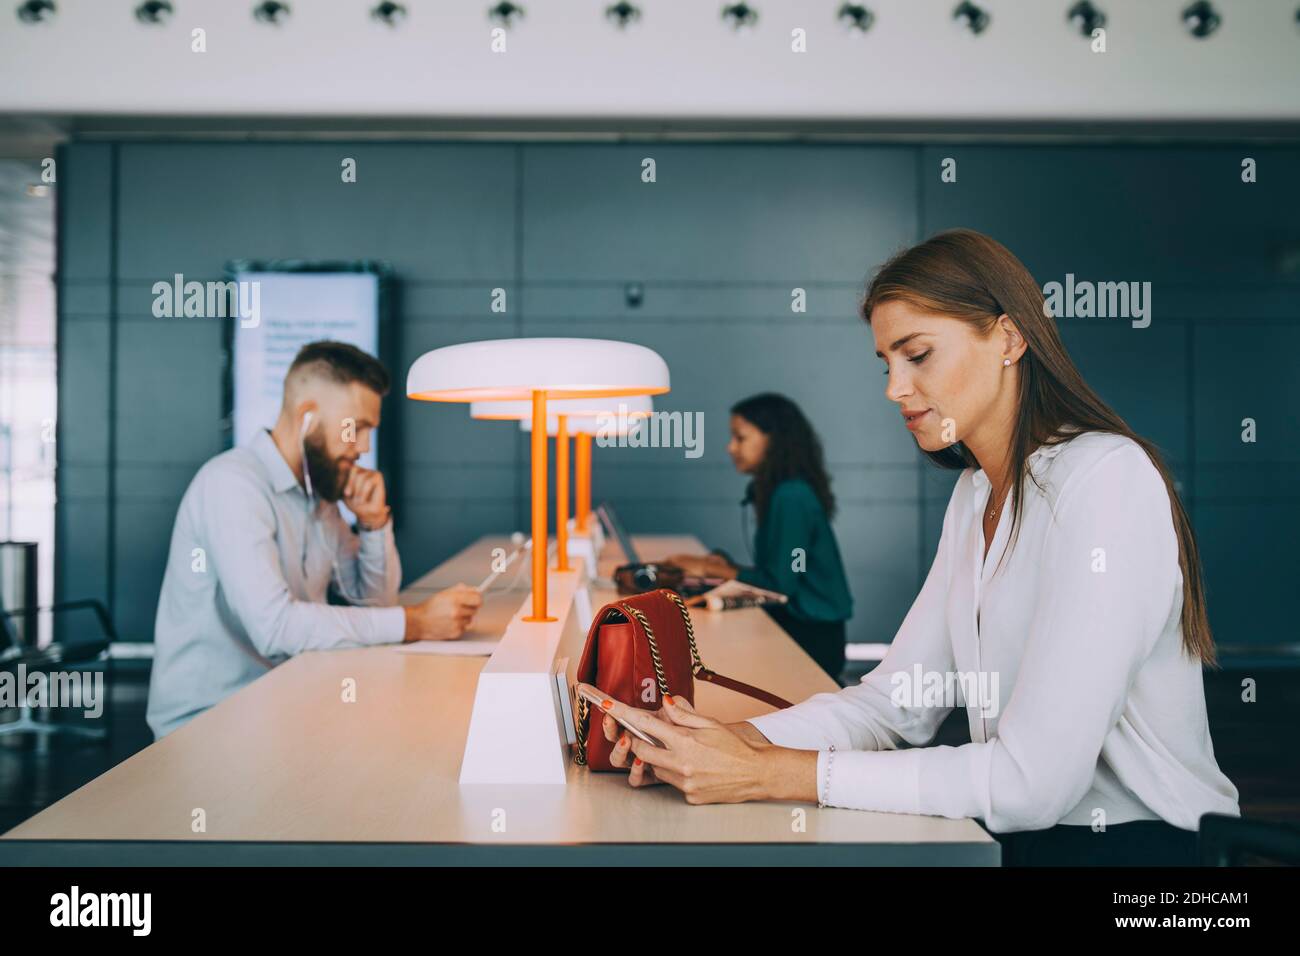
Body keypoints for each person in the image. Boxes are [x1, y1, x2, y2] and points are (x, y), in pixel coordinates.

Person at [594, 230, 1240, 866]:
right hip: (1016, 834)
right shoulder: (976, 493)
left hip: (1143, 851)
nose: (894, 388)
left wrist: (772, 774)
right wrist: (724, 743)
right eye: (887, 363)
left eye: (918, 355)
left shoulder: (1105, 477)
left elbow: (1034, 784)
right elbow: (898, 700)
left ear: (1010, 338)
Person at [147, 341, 481, 738]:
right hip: (209, 725)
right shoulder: (233, 485)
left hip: (285, 702)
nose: (364, 447)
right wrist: (416, 622)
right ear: (307, 416)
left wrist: (373, 524)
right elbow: (275, 629)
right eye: (356, 427)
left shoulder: (318, 495)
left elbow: (374, 603)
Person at [667, 394, 853, 679]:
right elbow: (786, 570)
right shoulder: (785, 492)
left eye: (740, 438)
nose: (731, 448)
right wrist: (723, 567)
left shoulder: (791, 497)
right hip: (806, 624)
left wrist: (711, 568)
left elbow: (782, 583)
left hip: (811, 635)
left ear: (773, 440)